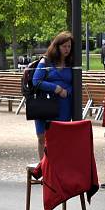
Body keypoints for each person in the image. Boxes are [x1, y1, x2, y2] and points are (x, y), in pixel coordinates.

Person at [33, 31, 75, 160]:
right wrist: (55, 88)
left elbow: (75, 83)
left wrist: (68, 90)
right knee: (43, 138)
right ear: (57, 46)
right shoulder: (45, 61)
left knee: (60, 138)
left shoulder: (71, 63)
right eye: (64, 46)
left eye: (69, 46)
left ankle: (58, 169)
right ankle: (44, 168)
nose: (67, 49)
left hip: (64, 106)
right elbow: (36, 81)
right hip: (45, 104)